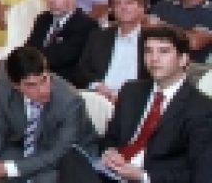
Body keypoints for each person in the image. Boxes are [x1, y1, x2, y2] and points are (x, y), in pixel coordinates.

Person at [83, 26, 212, 182]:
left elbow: (200, 173)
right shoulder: (131, 91)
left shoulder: (201, 108)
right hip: (110, 174)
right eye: (148, 51)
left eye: (163, 51)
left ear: (183, 59)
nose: (154, 58)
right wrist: (109, 152)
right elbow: (111, 138)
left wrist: (143, 176)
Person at [0, 46, 98, 183]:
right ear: (16, 85)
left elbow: (57, 154)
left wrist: (6, 169)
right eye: (31, 85)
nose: (43, 90)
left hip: (65, 161)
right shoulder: (4, 89)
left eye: (44, 79)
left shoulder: (70, 101)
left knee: (44, 180)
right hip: (23, 150)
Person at [74, 0, 147, 101]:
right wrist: (96, 86)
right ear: (112, 10)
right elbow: (82, 70)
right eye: (117, 4)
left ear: (141, 8)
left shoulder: (151, 40)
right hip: (99, 97)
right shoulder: (98, 37)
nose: (123, 7)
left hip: (136, 100)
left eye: (129, 3)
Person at [25, 0, 99, 87]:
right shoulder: (42, 19)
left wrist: (31, 60)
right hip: (35, 76)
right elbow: (29, 48)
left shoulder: (86, 25)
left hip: (63, 82)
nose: (51, 0)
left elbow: (62, 57)